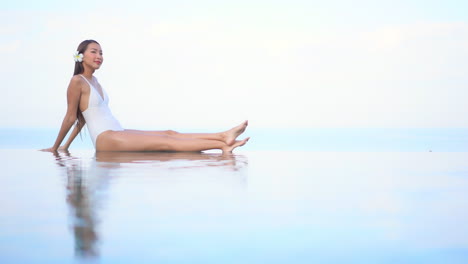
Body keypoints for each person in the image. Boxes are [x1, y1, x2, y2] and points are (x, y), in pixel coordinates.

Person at [42, 40, 249, 153]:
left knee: (169, 133)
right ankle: (222, 145)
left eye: (101, 53)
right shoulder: (76, 81)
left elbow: (82, 120)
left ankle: (223, 135)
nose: (99, 57)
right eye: (94, 52)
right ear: (81, 56)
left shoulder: (95, 82)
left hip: (116, 130)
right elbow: (71, 117)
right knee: (166, 144)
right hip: (107, 139)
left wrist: (65, 147)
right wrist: (56, 147)